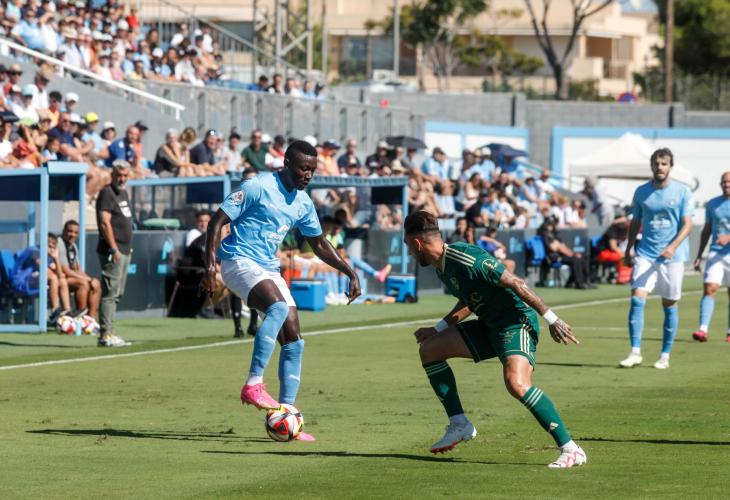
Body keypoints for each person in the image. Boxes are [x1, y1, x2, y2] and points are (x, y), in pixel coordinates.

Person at [202, 140, 361, 442]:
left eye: (312, 170)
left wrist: (349, 271)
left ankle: (287, 414)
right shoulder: (258, 186)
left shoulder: (303, 202)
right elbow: (216, 222)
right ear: (287, 163)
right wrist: (209, 267)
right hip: (238, 261)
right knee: (277, 309)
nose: (308, 175)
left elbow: (319, 243)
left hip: (268, 268)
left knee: (294, 338)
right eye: (303, 168)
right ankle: (254, 383)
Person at [403, 210, 586, 468]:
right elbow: (470, 301)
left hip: (515, 322)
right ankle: (459, 424)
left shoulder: (466, 258)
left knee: (516, 384)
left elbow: (516, 282)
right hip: (489, 325)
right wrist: (438, 328)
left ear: (417, 243)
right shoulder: (442, 268)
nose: (410, 253)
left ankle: (571, 449)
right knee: (430, 349)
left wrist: (552, 319)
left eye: (408, 246)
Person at [620, 148, 694, 370]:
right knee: (637, 298)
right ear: (651, 166)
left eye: (664, 164)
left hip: (673, 257)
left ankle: (664, 355)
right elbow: (636, 221)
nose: (660, 167)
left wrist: (672, 247)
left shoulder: (682, 191)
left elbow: (688, 224)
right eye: (657, 163)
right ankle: (635, 352)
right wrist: (629, 248)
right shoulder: (642, 191)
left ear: (670, 166)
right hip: (646, 253)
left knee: (669, 304)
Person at [95, 160, 134, 348]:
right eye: (119, 175)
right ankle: (106, 334)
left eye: (125, 175)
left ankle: (111, 331)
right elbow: (104, 222)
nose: (122, 179)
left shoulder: (123, 193)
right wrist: (113, 248)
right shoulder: (107, 193)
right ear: (112, 175)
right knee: (110, 292)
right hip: (114, 251)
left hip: (125, 249)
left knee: (118, 293)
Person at [692, 172, 730, 343]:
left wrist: (729, 237)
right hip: (716, 253)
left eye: (729, 181)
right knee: (710, 288)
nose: (726, 184)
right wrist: (699, 254)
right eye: (724, 182)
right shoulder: (712, 204)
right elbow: (707, 229)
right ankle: (703, 329)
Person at [58, 220, 101, 318]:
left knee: (96, 284)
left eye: (76, 232)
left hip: (69, 278)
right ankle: (80, 316)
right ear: (64, 231)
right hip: (59, 279)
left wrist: (92, 280)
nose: (73, 235)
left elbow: (78, 270)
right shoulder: (59, 243)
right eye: (70, 231)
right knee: (83, 283)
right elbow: (66, 271)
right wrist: (89, 279)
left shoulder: (73, 246)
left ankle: (90, 319)